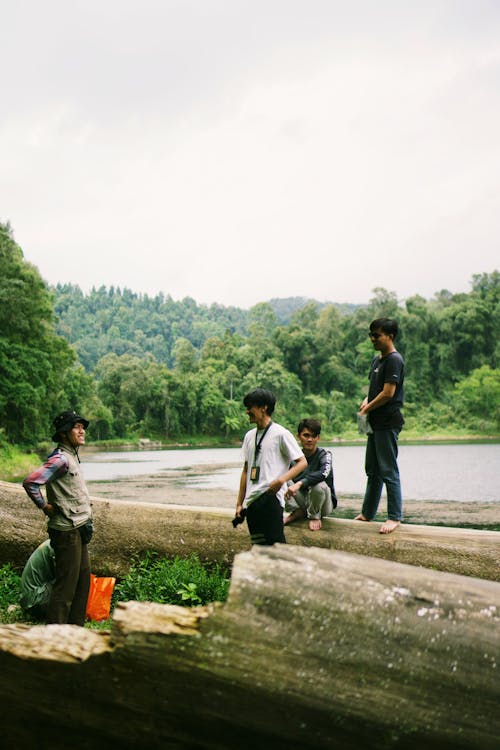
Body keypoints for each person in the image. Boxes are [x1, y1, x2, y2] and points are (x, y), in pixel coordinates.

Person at [23, 410, 93, 625]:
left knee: (82, 583)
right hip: (66, 531)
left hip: (78, 528)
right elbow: (31, 482)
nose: (82, 430)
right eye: (76, 427)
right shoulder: (60, 460)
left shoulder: (71, 457)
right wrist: (44, 506)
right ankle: (55, 637)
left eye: (82, 426)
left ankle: (75, 633)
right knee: (66, 588)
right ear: (64, 434)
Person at [234, 388, 307, 545]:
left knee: (276, 547)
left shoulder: (281, 434)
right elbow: (246, 471)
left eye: (250, 407)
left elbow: (302, 462)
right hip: (252, 503)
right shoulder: (249, 436)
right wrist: (240, 503)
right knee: (258, 547)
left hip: (271, 499)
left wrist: (281, 480)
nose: (247, 412)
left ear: (263, 408)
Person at [355, 318, 405, 534]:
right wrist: (367, 400)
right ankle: (368, 513)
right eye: (371, 335)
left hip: (387, 423)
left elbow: (388, 393)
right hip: (375, 424)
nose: (372, 339)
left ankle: (394, 517)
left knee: (388, 469)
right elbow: (375, 390)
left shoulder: (394, 360)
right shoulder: (378, 361)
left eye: (376, 335)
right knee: (373, 470)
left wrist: (368, 408)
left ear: (390, 336)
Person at [284, 418, 337, 531]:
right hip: (303, 502)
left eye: (313, 436)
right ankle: (297, 511)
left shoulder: (325, 454)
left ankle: (314, 516)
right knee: (282, 478)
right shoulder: (293, 457)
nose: (310, 439)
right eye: (306, 435)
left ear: (318, 438)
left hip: (323, 504)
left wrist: (300, 483)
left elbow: (324, 473)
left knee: (319, 485)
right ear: (298, 436)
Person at [19, 539, 56, 621]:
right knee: (67, 583)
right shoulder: (57, 546)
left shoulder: (52, 542)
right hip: (35, 601)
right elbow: (65, 578)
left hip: (31, 598)